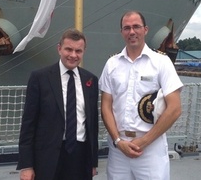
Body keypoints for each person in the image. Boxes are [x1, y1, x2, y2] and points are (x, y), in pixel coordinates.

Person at [99, 11, 183, 180]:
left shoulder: (161, 62)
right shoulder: (112, 64)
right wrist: (117, 141)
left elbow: (175, 108)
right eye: (127, 28)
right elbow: (106, 106)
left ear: (145, 30)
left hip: (151, 149)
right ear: (122, 32)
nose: (132, 32)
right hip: (119, 149)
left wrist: (144, 141)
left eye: (136, 26)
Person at [17, 28, 99, 180]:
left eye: (78, 51)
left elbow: (92, 125)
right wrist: (26, 165)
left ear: (83, 51)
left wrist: (93, 162)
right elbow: (29, 124)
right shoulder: (40, 78)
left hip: (80, 157)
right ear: (59, 48)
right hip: (47, 158)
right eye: (68, 49)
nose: (73, 55)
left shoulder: (91, 80)